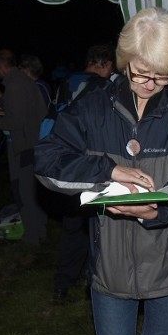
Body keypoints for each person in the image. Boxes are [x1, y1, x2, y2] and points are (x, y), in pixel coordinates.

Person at [35, 7, 168, 335]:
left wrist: (156, 212)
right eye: (141, 72)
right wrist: (109, 169)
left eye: (162, 76)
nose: (149, 84)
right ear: (124, 59)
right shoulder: (94, 105)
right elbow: (46, 160)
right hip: (110, 269)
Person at [49, 43, 117, 302]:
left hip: (65, 167)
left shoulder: (65, 83)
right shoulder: (102, 87)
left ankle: (61, 284)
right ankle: (94, 283)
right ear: (106, 64)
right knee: (99, 228)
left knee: (72, 227)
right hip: (92, 167)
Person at [0, 49, 48, 245]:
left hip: (25, 145)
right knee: (28, 191)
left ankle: (33, 236)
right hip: (29, 143)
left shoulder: (15, 85)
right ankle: (38, 231)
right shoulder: (22, 82)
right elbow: (20, 111)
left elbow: (16, 121)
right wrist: (1, 101)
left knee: (26, 193)